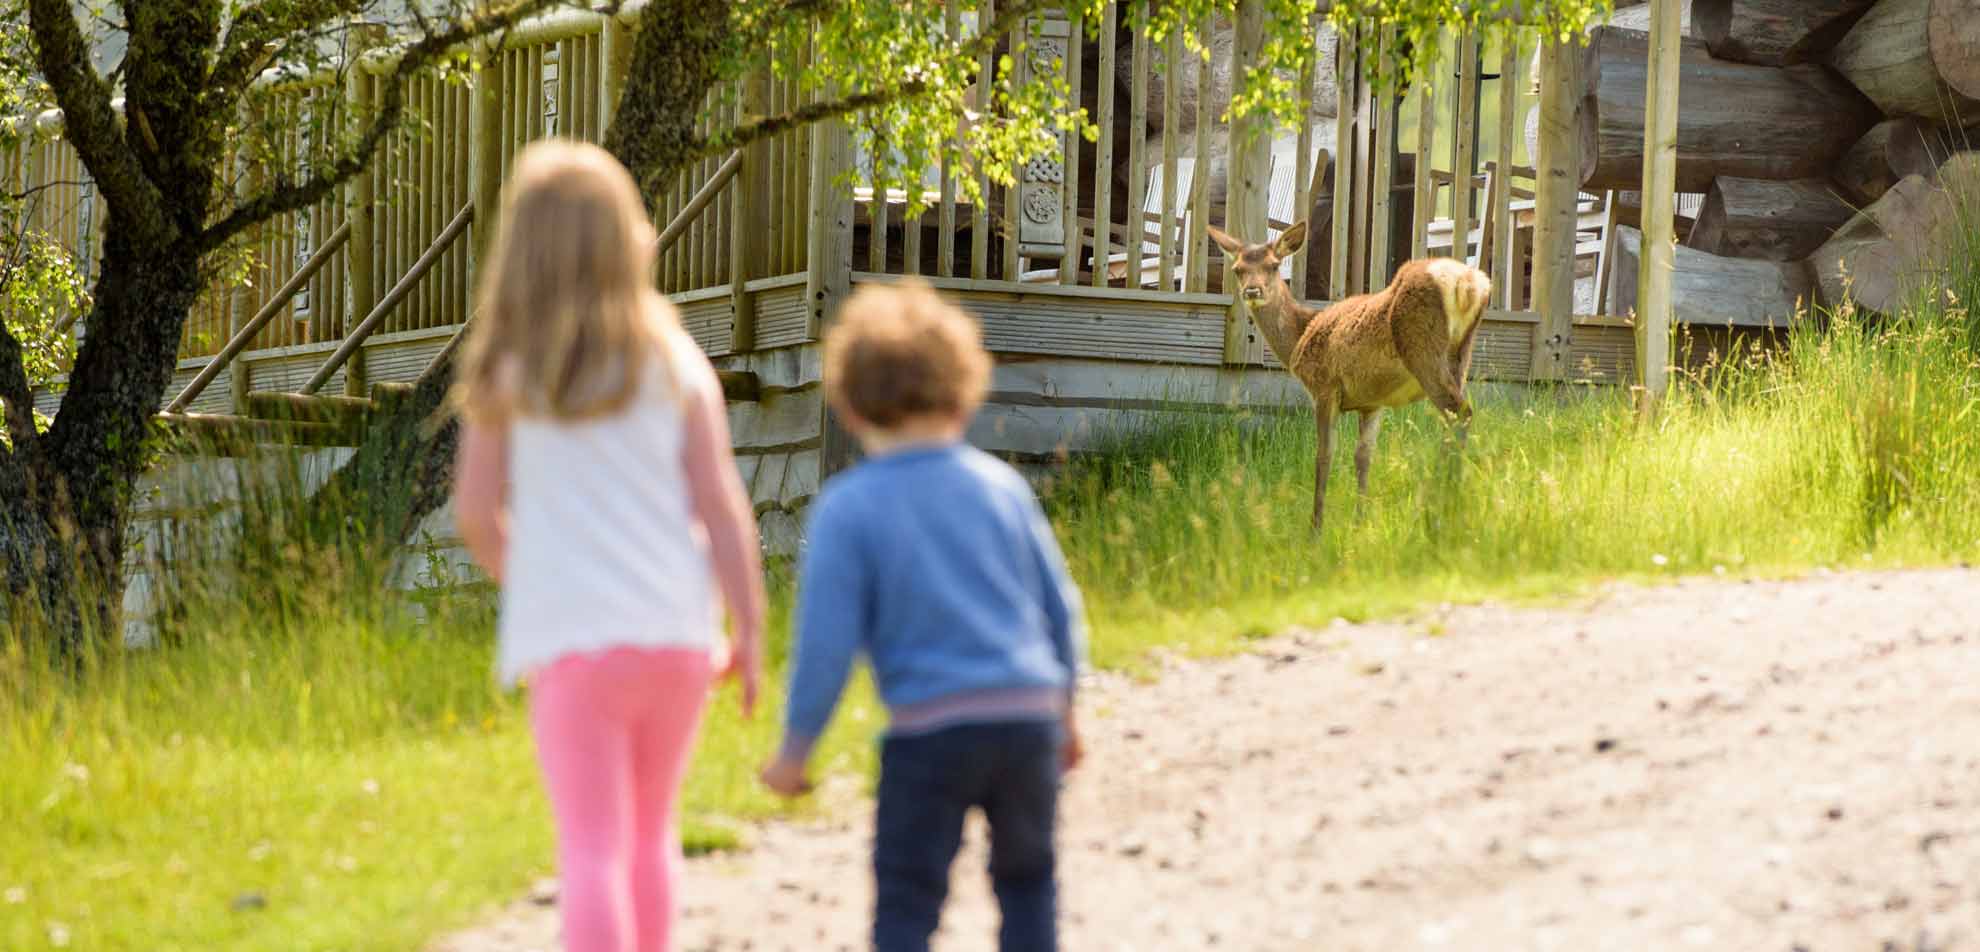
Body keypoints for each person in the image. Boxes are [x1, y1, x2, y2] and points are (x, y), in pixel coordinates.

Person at [450, 139, 766, 952]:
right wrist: (751, 629)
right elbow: (723, 504)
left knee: (589, 844)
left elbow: (479, 515)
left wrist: (540, 580)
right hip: (675, 635)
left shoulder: (510, 373)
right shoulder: (677, 364)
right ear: (631, 237)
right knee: (650, 832)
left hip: (575, 641)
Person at [758, 281, 1086, 952]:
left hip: (929, 734)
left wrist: (796, 750)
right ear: (965, 387)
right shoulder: (1002, 488)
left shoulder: (848, 509)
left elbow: (826, 645)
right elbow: (1059, 610)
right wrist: (1067, 712)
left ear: (848, 405)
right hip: (1026, 720)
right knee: (1029, 884)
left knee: (908, 899)